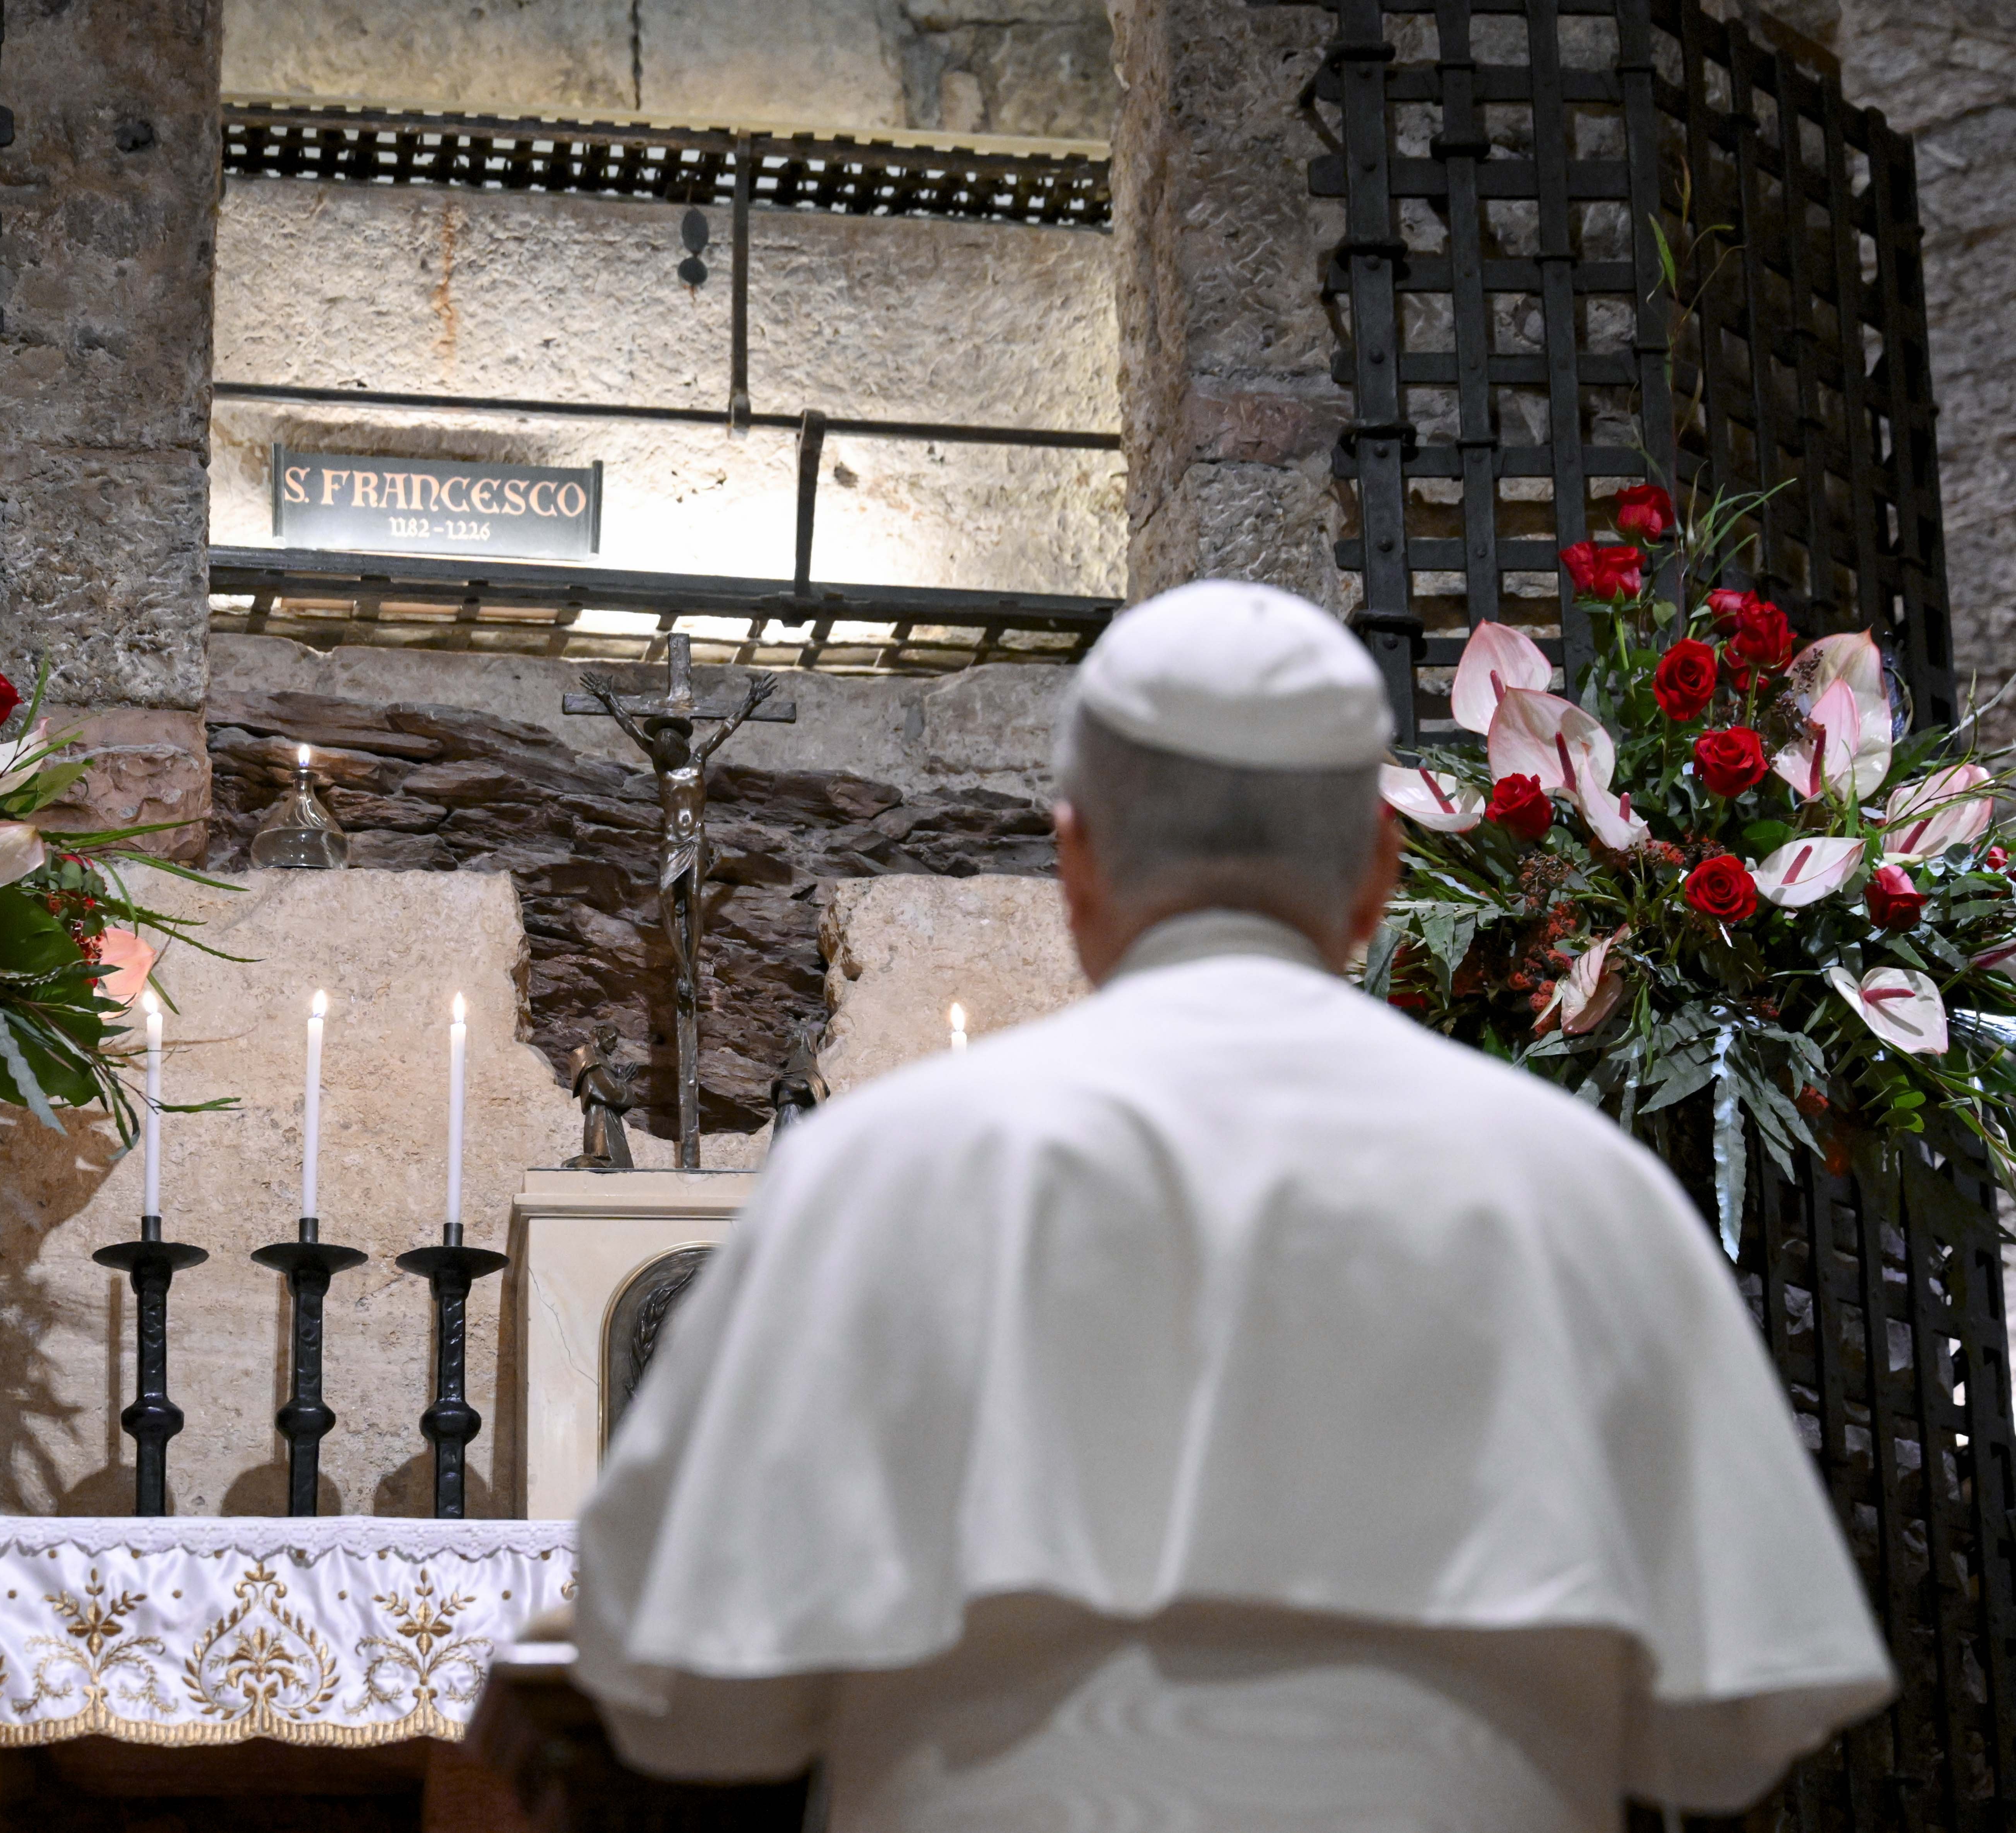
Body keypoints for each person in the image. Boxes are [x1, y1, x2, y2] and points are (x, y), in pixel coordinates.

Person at [571, 581, 1894, 1833]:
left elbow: (686, 1694)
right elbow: (1731, 1725)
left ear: (1074, 864)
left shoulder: (875, 1175)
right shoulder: (1582, 1188)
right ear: (1379, 869)